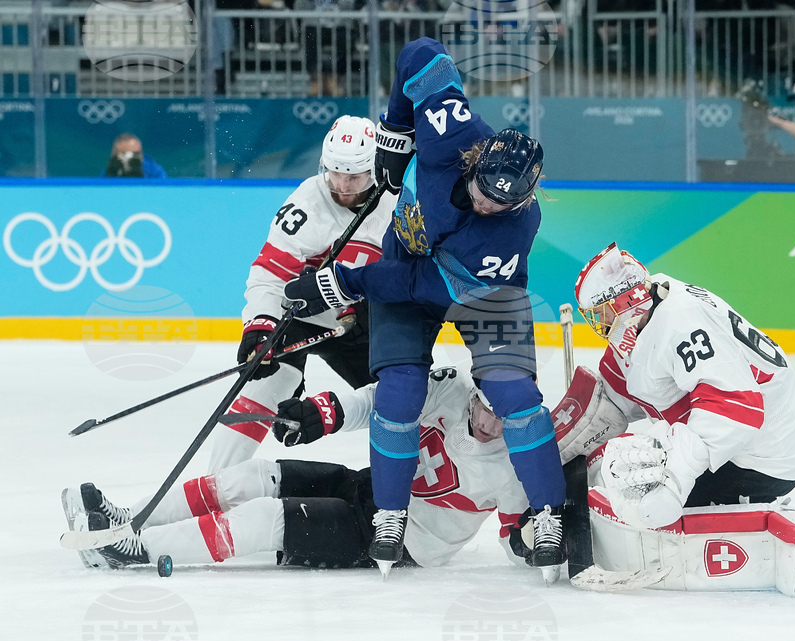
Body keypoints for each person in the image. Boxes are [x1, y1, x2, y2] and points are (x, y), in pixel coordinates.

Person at [282, 37, 566, 579]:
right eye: (482, 189)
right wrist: (394, 131)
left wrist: (343, 282)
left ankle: (547, 511)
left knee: (516, 397)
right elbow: (420, 54)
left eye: (497, 202)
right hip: (407, 267)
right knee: (400, 391)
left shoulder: (507, 235)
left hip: (476, 293)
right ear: (477, 159)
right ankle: (391, 514)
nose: (484, 203)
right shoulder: (452, 135)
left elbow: (419, 286)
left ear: (523, 200)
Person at [61, 368, 533, 572]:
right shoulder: (449, 384)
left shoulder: (518, 461)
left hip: (401, 542)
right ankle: (130, 515)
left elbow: (517, 530)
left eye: (504, 415)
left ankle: (135, 549)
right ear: (474, 393)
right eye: (486, 408)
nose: (493, 423)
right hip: (371, 487)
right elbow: (376, 400)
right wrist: (323, 411)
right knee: (253, 475)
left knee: (266, 518)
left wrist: (533, 539)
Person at [556, 242, 795, 530]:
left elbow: (734, 408)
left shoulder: (682, 322)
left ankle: (743, 505)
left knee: (640, 500)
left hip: (764, 456)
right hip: (744, 440)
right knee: (621, 469)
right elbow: (616, 392)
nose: (600, 323)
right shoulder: (648, 308)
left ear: (626, 302)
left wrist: (674, 481)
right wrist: (557, 446)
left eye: (602, 312)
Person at [208, 115, 396, 473]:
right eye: (334, 172)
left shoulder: (398, 205)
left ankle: (410, 492)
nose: (341, 184)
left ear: (373, 169)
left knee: (403, 402)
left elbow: (413, 277)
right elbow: (270, 272)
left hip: (362, 328)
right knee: (262, 383)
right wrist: (260, 326)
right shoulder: (308, 201)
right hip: (301, 318)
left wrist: (380, 310)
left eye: (353, 175)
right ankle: (210, 486)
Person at [102, 134, 167, 179]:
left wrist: (140, 175)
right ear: (115, 155)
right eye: (125, 153)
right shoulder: (108, 172)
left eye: (136, 154)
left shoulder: (155, 171)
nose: (133, 158)